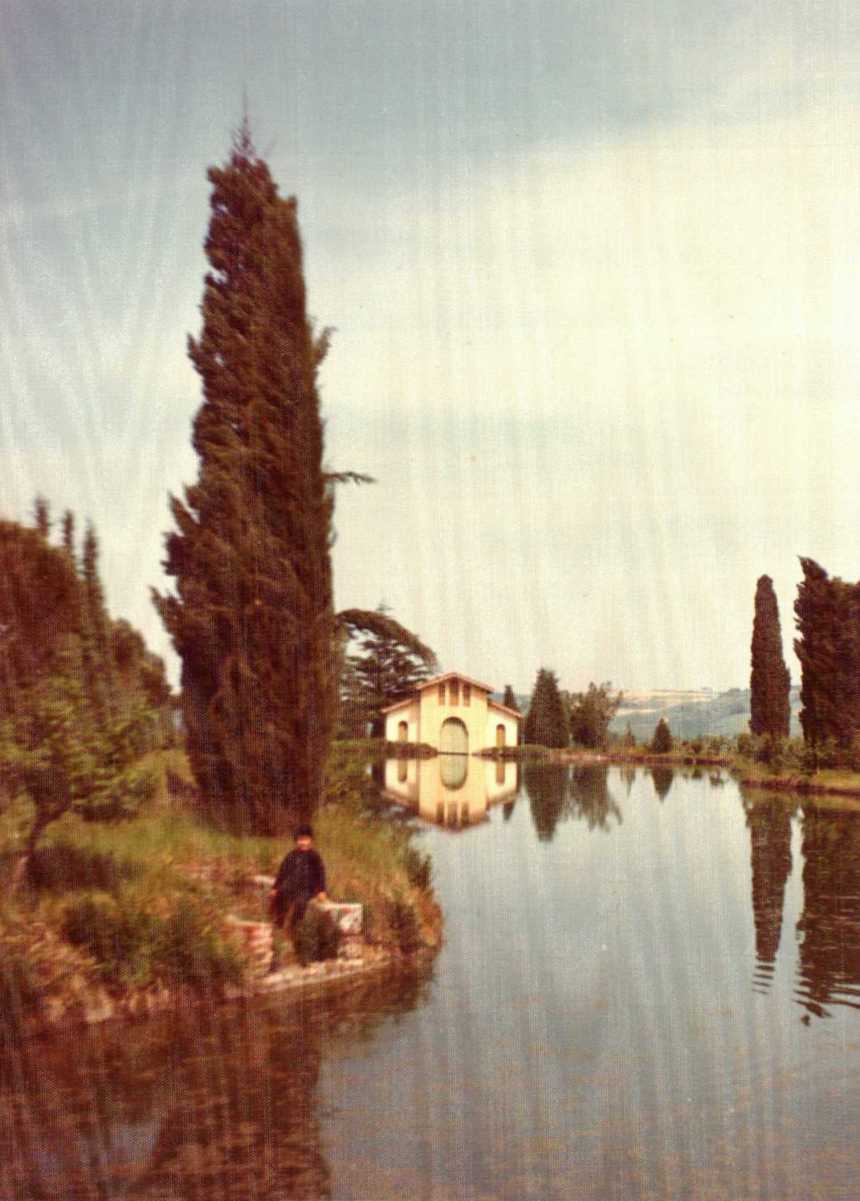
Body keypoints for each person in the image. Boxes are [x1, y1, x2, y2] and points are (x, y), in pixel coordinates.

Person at [268, 825, 327, 967]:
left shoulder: (314, 856)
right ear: (296, 841)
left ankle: (296, 929)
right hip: (290, 887)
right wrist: (275, 888)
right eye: (300, 840)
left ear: (311, 840)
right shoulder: (291, 856)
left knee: (301, 904)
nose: (303, 842)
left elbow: (321, 874)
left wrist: (321, 890)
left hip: (307, 889)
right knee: (279, 898)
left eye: (306, 839)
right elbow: (281, 873)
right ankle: (279, 924)